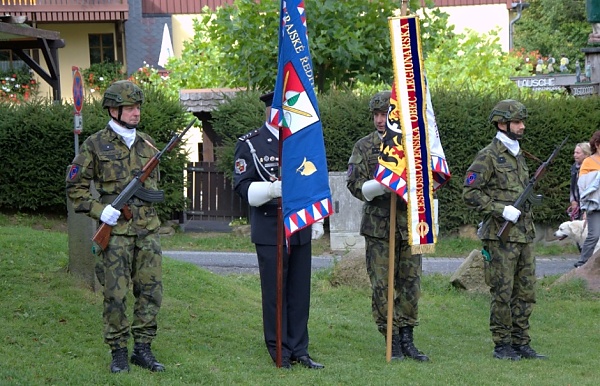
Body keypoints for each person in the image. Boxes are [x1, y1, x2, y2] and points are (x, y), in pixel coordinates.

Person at [66, 80, 166, 373]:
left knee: (150, 290)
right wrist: (101, 210)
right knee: (115, 294)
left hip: (147, 231)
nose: (136, 113)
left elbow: (155, 186)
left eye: (138, 107)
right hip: (116, 235)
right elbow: (75, 189)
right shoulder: (95, 145)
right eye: (130, 108)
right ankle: (119, 352)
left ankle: (143, 349)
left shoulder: (148, 144)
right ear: (113, 110)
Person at [233, 91, 325, 370]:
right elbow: (242, 187)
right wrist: (272, 189)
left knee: (299, 292)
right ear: (269, 110)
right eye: (281, 108)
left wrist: (317, 218)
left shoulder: (300, 140)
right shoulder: (251, 144)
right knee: (276, 292)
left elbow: (313, 179)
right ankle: (278, 349)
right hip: (270, 226)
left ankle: (299, 348)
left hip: (300, 225)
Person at [346, 91, 429, 362]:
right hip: (379, 227)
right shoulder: (364, 146)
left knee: (411, 285)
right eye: (377, 115)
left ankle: (407, 337)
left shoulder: (412, 146)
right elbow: (354, 184)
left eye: (385, 115)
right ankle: (390, 337)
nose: (380, 120)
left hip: (410, 225)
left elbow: (426, 180)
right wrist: (376, 186)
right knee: (382, 285)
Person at [463, 99, 547, 361]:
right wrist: (500, 209)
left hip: (524, 235)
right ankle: (502, 344)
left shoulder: (519, 154)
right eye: (517, 122)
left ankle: (522, 342)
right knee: (502, 291)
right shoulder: (488, 155)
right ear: (502, 123)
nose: (522, 126)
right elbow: (470, 192)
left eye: (522, 121)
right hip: (501, 236)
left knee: (526, 291)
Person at [575, 131, 600, 268]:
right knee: (594, 235)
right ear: (597, 144)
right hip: (594, 205)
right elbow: (582, 185)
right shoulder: (588, 162)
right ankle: (582, 264)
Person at [569, 142, 591, 222]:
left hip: (588, 205)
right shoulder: (574, 167)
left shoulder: (591, 169)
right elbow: (572, 185)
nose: (575, 155)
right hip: (578, 204)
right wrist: (573, 200)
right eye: (574, 152)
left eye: (578, 153)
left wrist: (586, 210)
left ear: (586, 154)